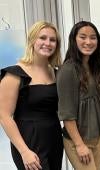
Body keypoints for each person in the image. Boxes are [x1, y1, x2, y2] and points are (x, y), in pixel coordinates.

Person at [0, 21, 63, 170]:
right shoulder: (14, 74)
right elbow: (4, 116)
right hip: (29, 141)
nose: (47, 43)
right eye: (42, 38)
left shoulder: (56, 73)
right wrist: (24, 151)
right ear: (32, 40)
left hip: (54, 139)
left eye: (52, 40)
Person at [57, 21, 100, 170]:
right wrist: (80, 145)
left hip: (99, 137)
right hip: (79, 141)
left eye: (93, 38)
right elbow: (67, 114)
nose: (88, 42)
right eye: (83, 37)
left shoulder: (96, 67)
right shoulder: (68, 70)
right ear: (74, 40)